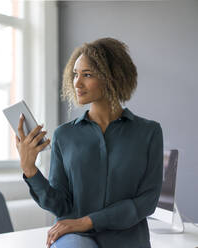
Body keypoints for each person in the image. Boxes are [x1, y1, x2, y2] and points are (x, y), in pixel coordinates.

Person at [15, 37, 163, 248]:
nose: (77, 82)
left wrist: (87, 221)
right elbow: (60, 205)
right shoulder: (64, 135)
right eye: (75, 74)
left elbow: (147, 202)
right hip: (76, 241)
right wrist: (29, 169)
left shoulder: (148, 132)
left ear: (112, 77)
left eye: (87, 75)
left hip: (128, 241)